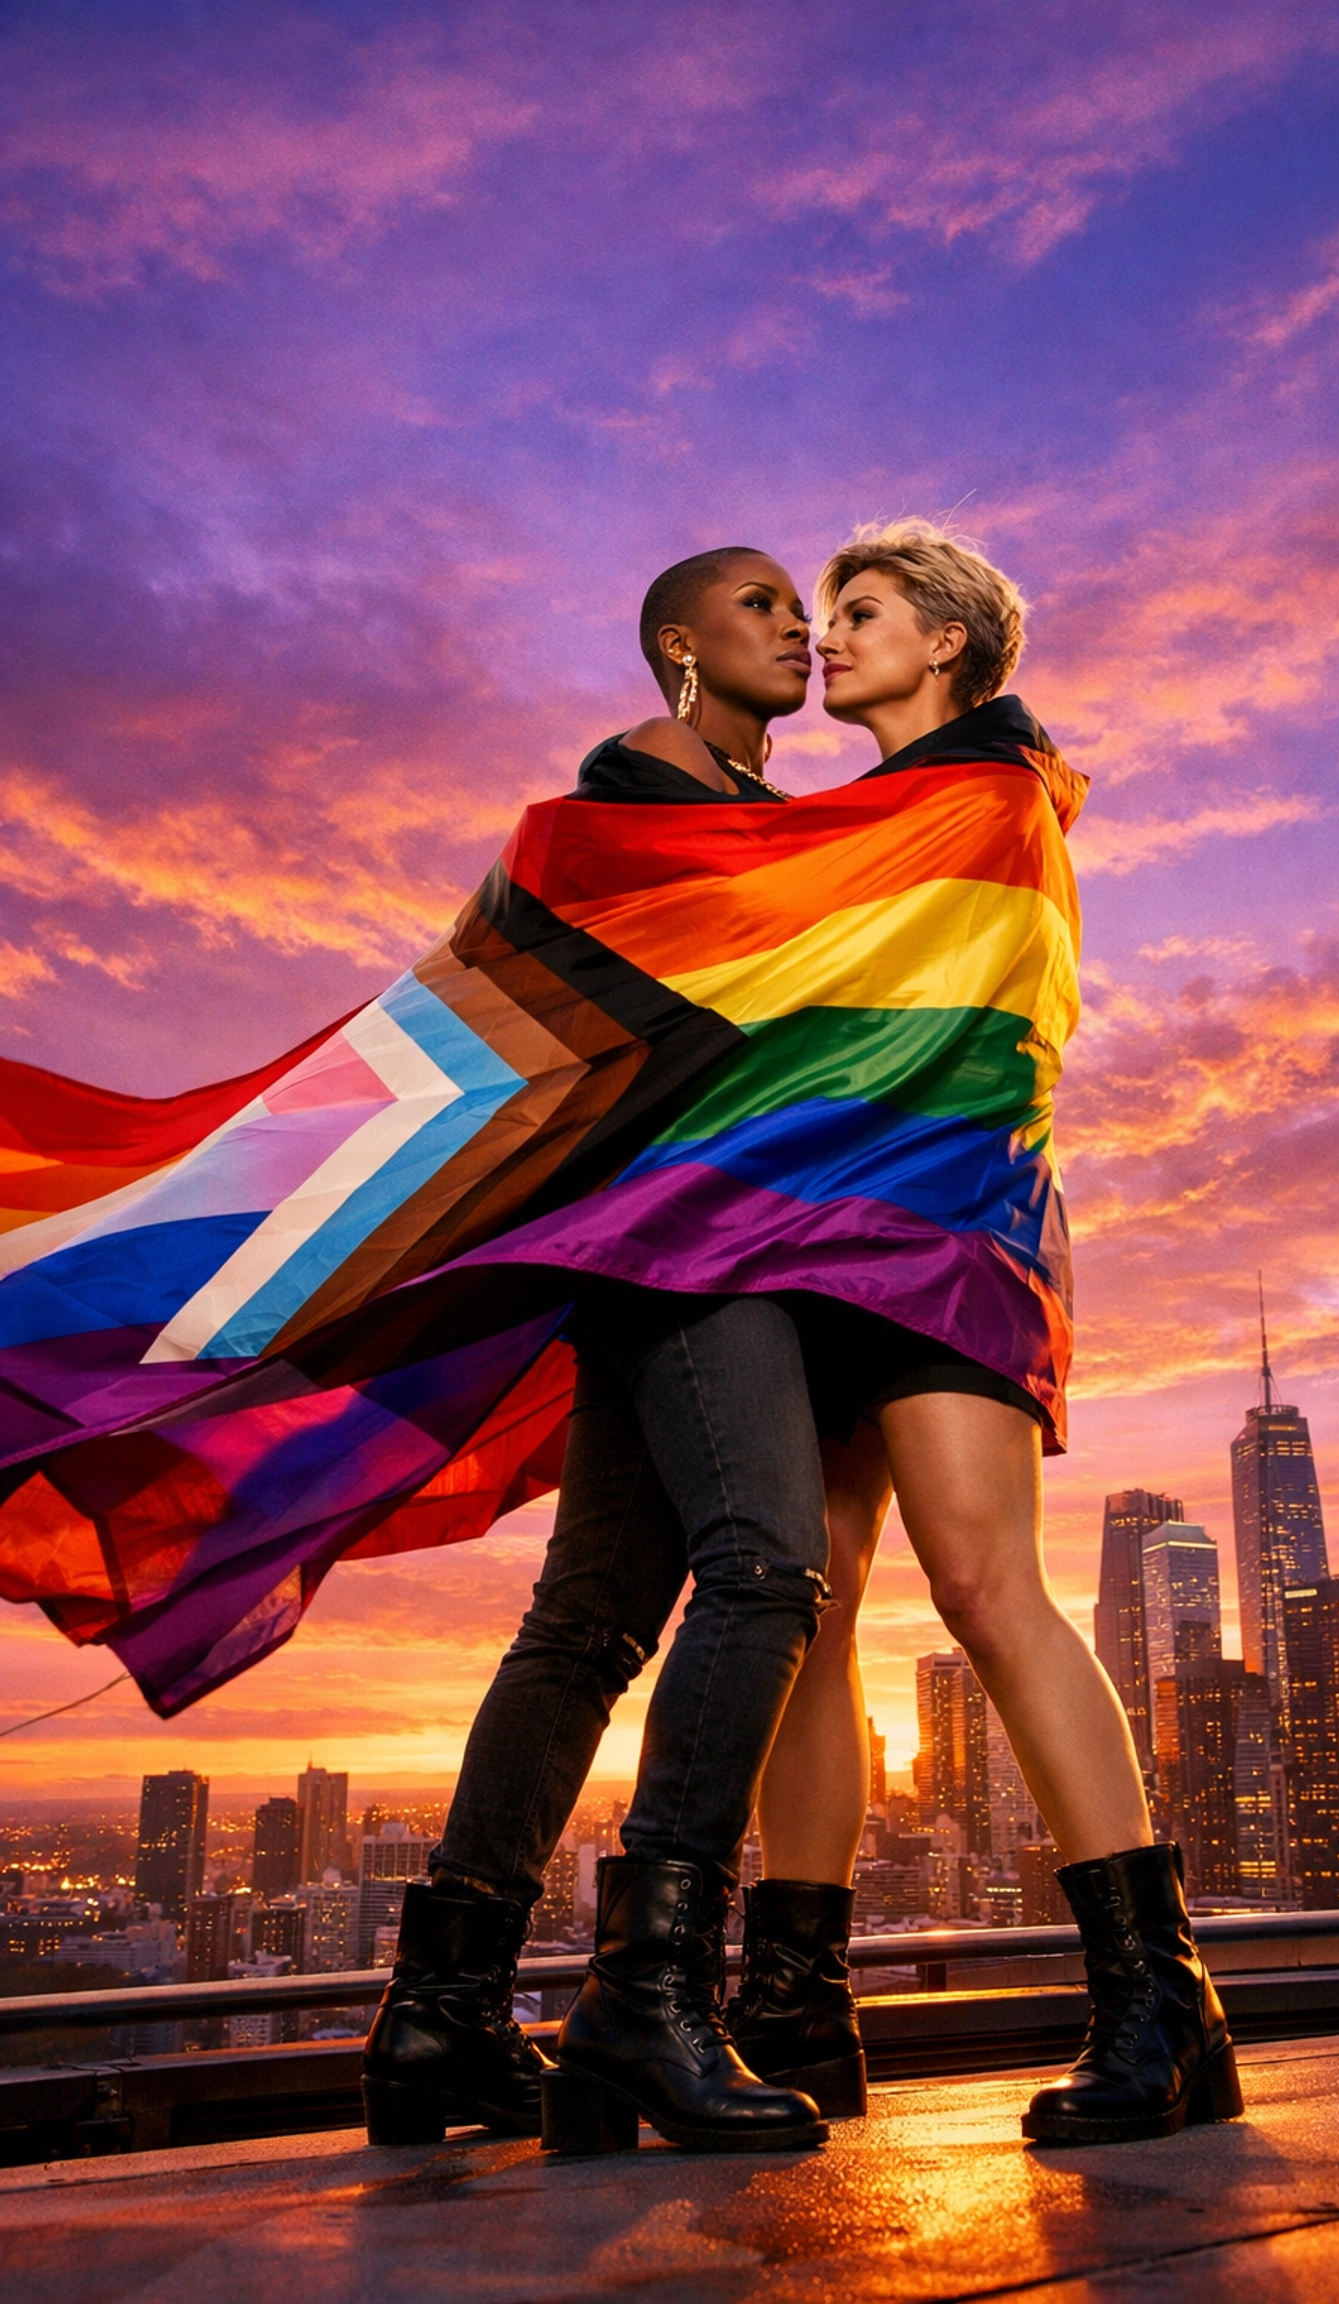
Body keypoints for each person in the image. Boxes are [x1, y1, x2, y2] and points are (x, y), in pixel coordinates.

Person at [724, 521, 1242, 2148]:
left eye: (860, 613)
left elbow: (987, 1030)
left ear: (944, 640)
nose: (829, 637)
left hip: (949, 1227)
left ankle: (1162, 2006)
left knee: (985, 1580)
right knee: (805, 1606)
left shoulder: (997, 798)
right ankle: (797, 2011)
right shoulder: (851, 818)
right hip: (814, 1235)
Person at [363, 550, 834, 2158]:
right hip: (676, 1249)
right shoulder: (598, 830)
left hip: (726, 1251)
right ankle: (648, 1992)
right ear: (675, 647)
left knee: (582, 1626)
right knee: (765, 1569)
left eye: (803, 602)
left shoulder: (797, 838)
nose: (799, 622)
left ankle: (441, 2013)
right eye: (759, 600)